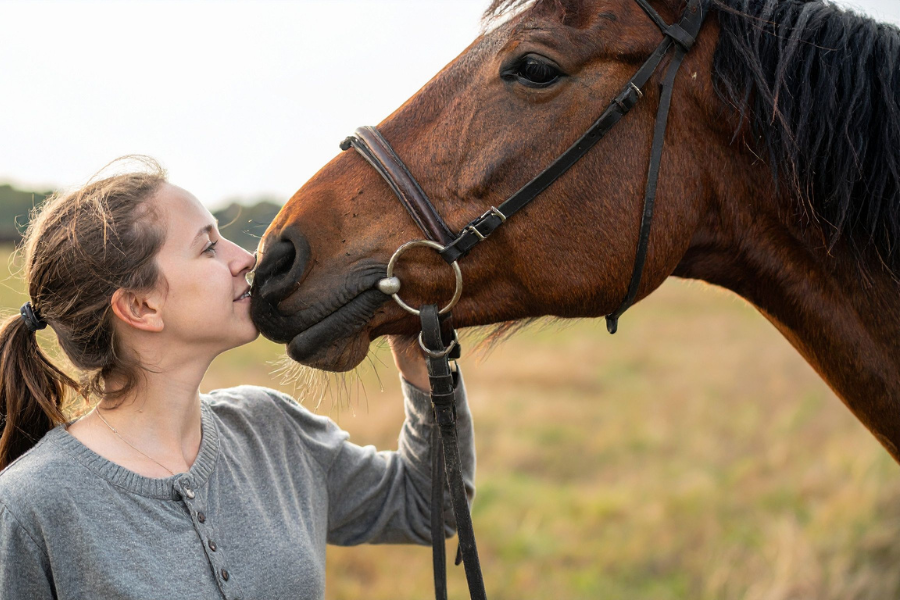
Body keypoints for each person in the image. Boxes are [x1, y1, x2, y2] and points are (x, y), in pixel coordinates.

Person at [0, 158, 475, 599]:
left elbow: (426, 506)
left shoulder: (271, 429)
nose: (245, 257)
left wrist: (421, 362)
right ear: (141, 307)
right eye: (208, 247)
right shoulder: (29, 508)